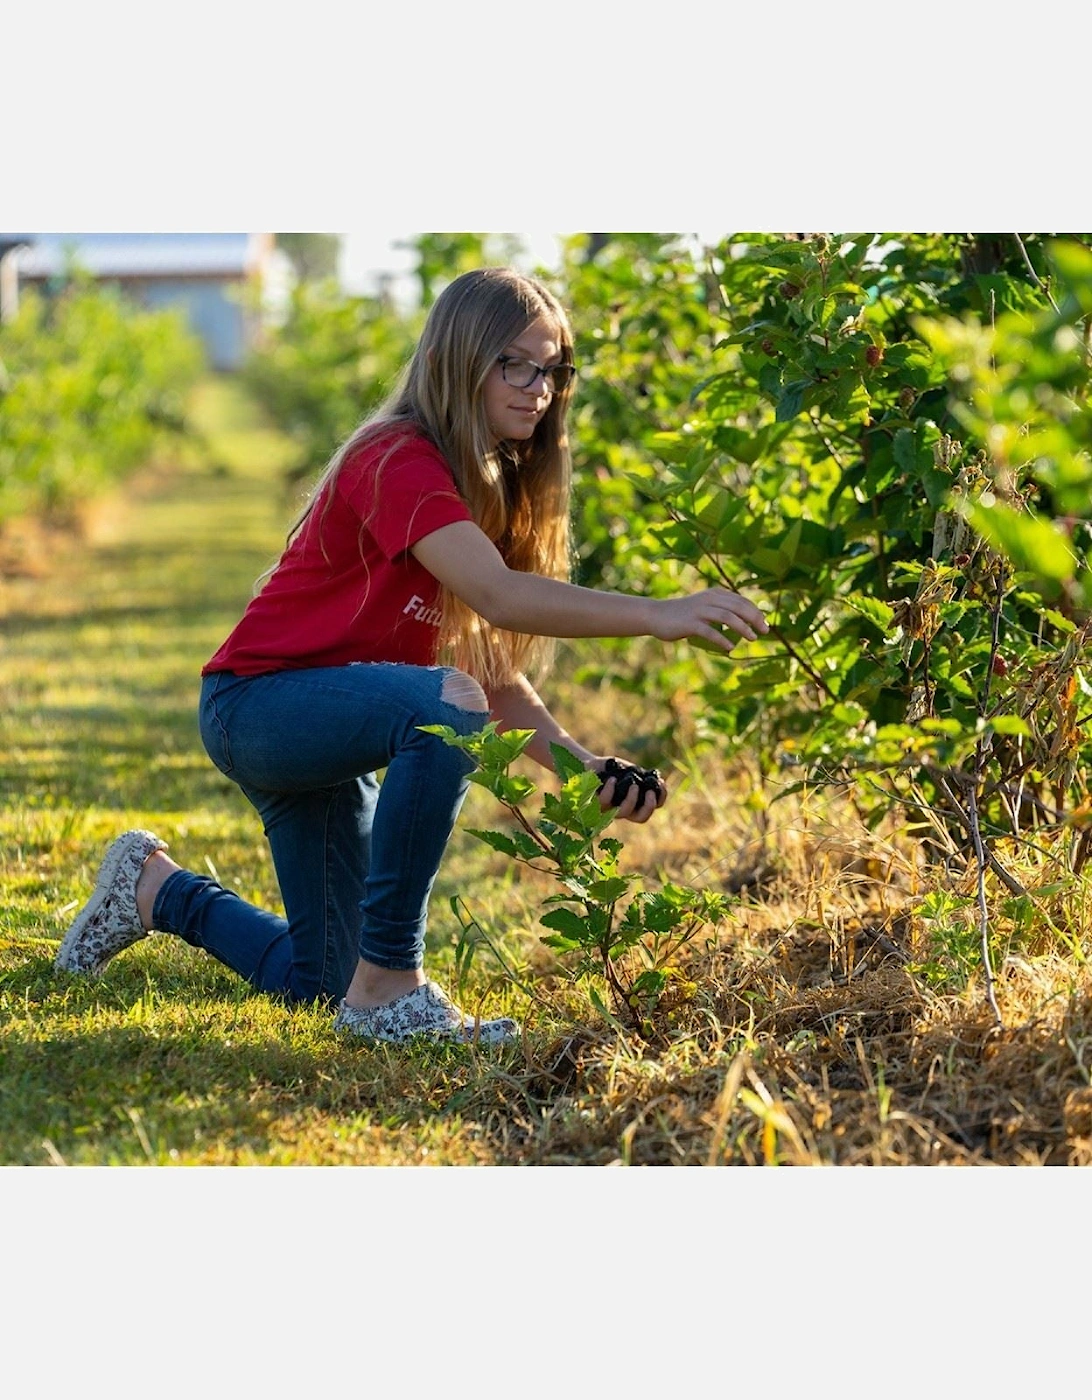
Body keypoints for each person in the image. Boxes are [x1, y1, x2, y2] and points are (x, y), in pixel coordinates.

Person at [55, 266, 768, 1045]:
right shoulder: (399, 457)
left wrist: (578, 764)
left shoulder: (484, 478)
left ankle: (153, 888)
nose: (539, 387)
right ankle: (393, 986)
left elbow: (489, 668)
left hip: (335, 733)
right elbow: (496, 602)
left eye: (553, 368)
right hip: (256, 707)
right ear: (458, 360)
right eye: (515, 363)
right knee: (441, 706)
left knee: (318, 982)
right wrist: (658, 615)